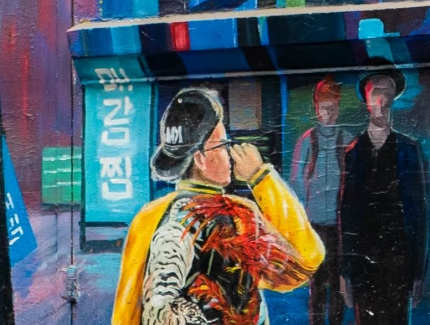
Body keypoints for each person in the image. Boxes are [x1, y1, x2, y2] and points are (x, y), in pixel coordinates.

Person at [112, 86, 325, 325]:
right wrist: (261, 177)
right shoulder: (236, 216)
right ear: (201, 159)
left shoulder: (147, 217)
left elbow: (127, 308)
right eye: (223, 145)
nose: (230, 153)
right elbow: (306, 260)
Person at [338, 72, 427, 325]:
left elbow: (419, 215)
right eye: (376, 91)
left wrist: (418, 274)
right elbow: (347, 214)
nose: (382, 100)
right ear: (366, 98)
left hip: (399, 262)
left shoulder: (409, 149)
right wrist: (345, 273)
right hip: (363, 264)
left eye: (388, 93)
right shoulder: (353, 152)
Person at [287, 80, 354, 325]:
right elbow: (295, 179)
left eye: (332, 108)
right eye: (324, 108)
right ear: (316, 108)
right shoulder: (307, 140)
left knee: (338, 282)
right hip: (314, 223)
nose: (327, 114)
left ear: (339, 108)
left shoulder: (347, 140)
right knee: (317, 284)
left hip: (338, 223)